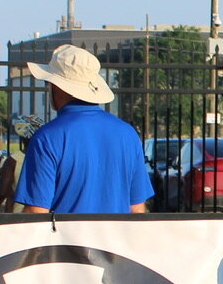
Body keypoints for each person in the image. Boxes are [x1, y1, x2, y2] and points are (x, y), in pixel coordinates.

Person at [15, 43, 155, 215]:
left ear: (58, 86)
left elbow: (36, 211)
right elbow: (136, 208)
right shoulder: (128, 134)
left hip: (67, 242)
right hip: (115, 240)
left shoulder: (47, 138)